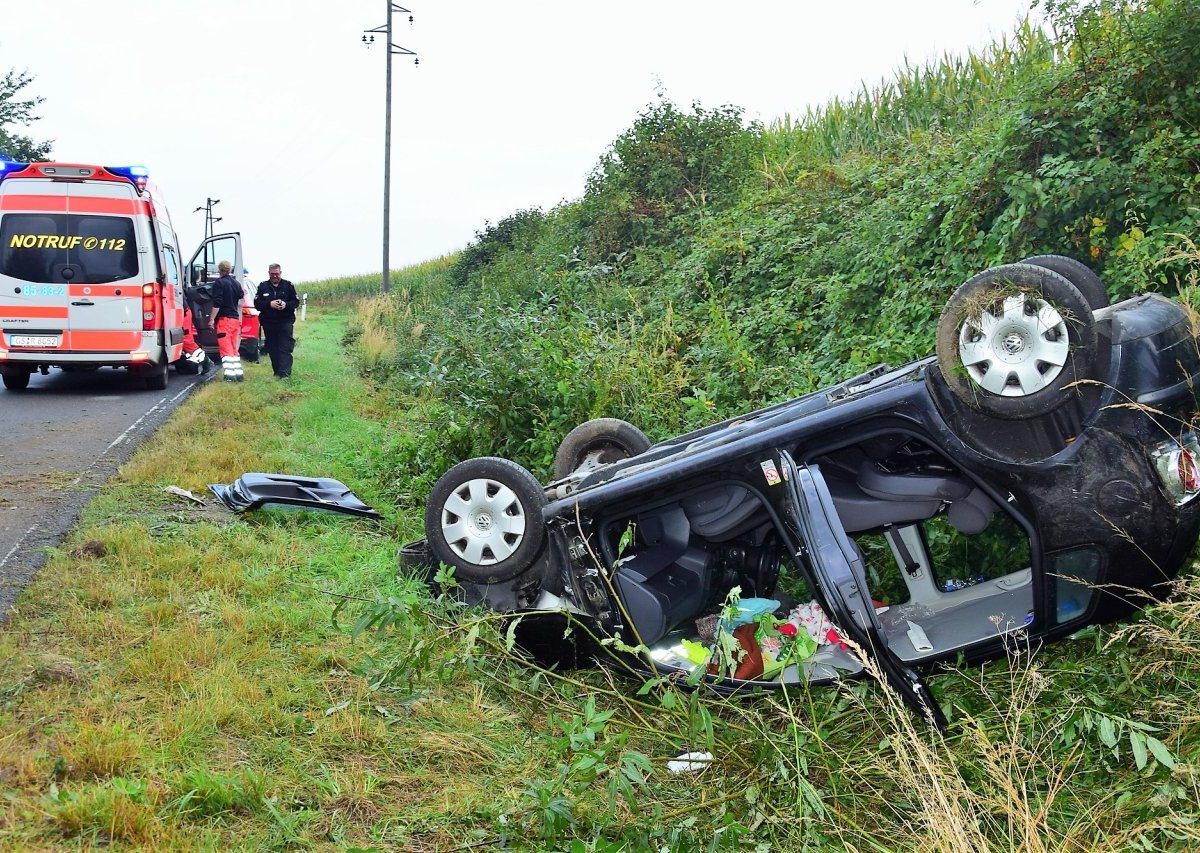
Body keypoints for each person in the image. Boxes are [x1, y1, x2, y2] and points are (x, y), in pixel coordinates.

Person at [254, 263, 299, 379]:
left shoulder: (288, 286)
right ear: (268, 273)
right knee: (272, 348)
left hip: (285, 321)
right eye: (272, 274)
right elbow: (257, 304)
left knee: (285, 347)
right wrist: (270, 304)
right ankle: (277, 372)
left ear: (281, 273)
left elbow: (296, 302)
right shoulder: (263, 286)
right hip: (269, 322)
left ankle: (285, 374)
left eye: (277, 274)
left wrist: (285, 305)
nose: (275, 276)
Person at [207, 259, 244, 382]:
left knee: (226, 349)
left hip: (225, 320)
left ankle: (229, 376)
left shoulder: (219, 283)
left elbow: (218, 303)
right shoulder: (237, 284)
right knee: (233, 349)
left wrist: (211, 319)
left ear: (219, 270)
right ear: (230, 270)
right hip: (235, 320)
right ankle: (238, 374)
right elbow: (241, 295)